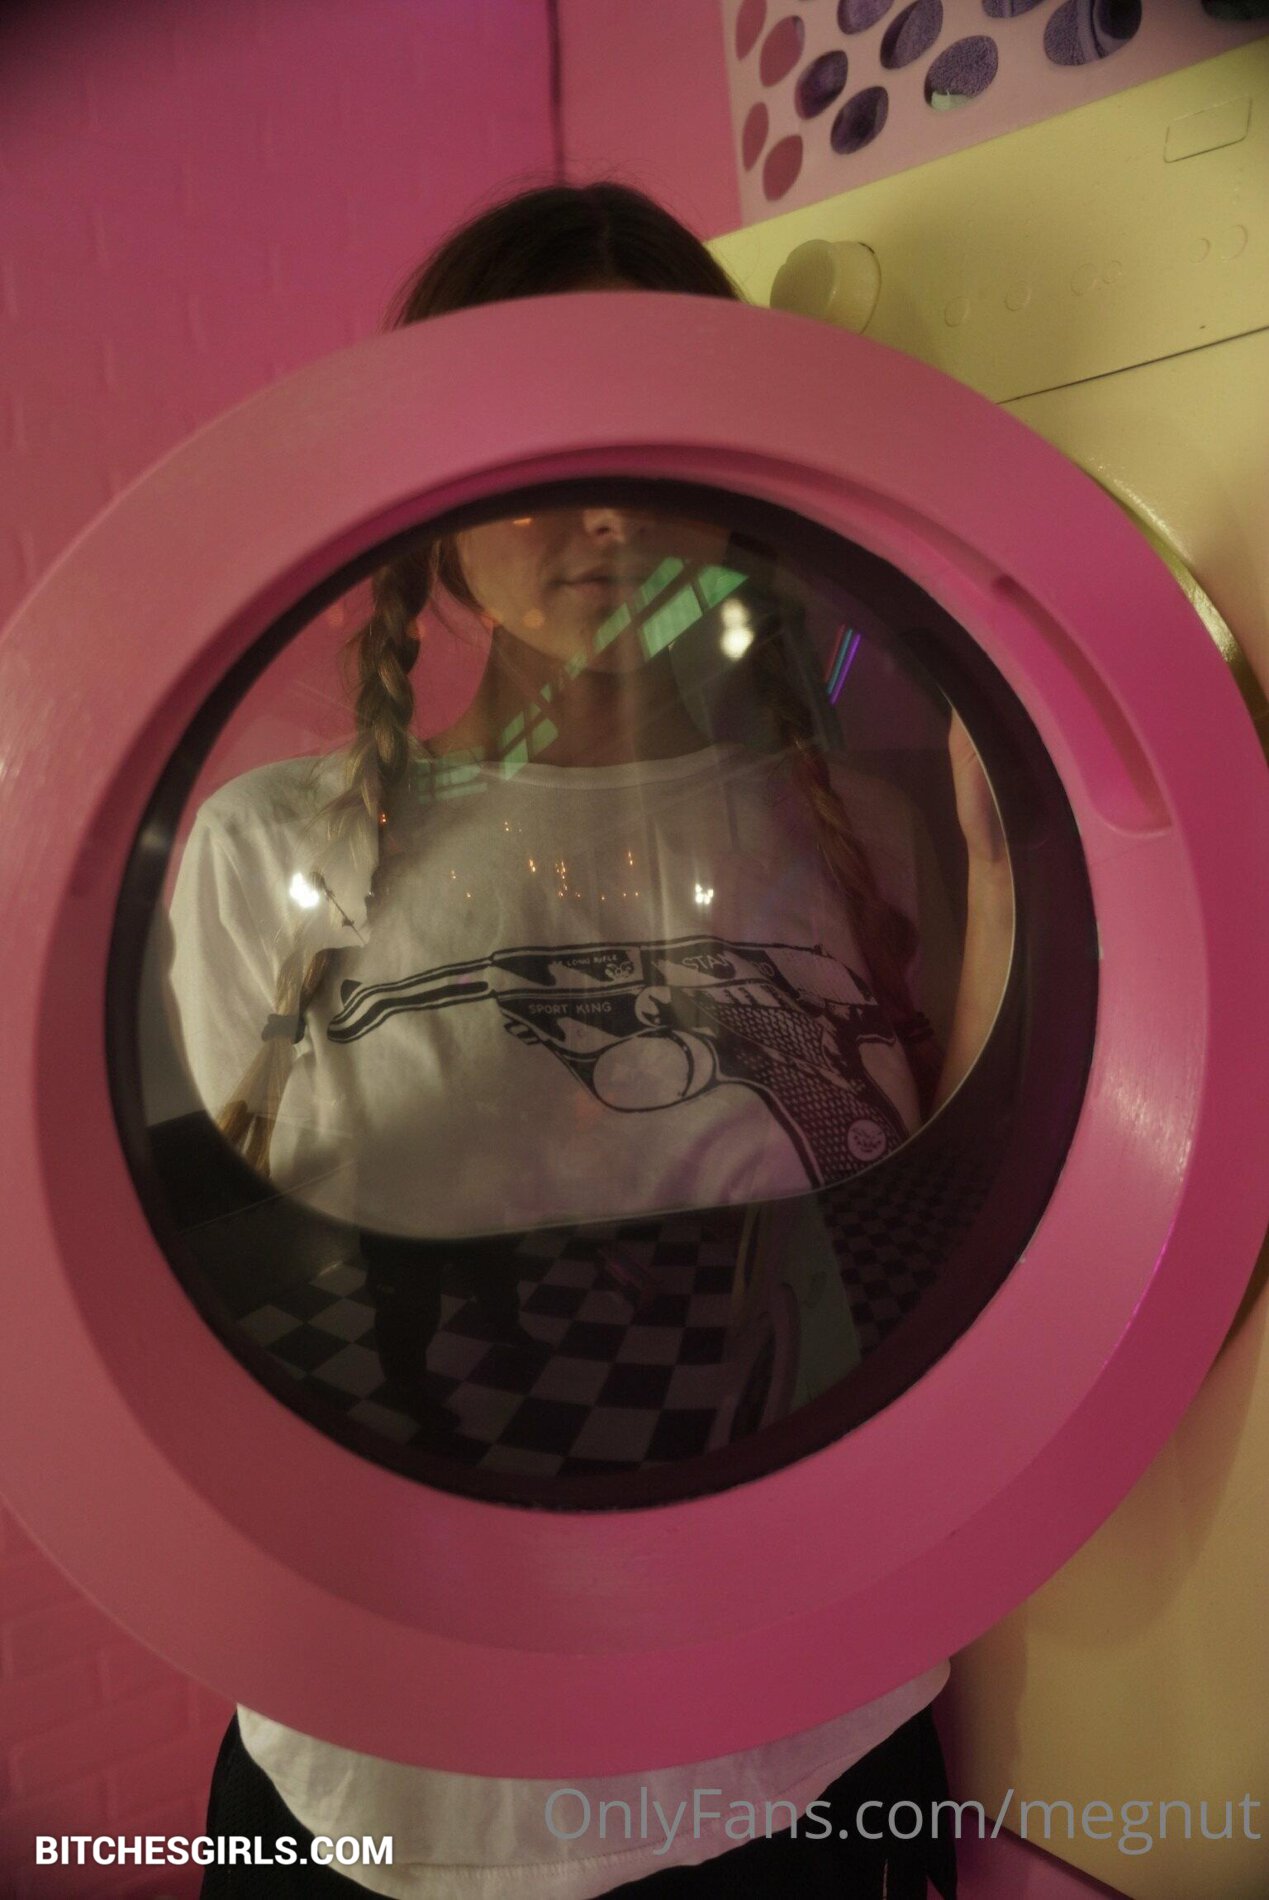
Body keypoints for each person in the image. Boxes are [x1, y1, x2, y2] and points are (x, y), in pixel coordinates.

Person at [168, 179, 1014, 1899]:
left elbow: (968, 1256)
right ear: (431, 495)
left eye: (650, 425)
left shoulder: (885, 831)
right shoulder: (269, 850)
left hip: (804, 1746)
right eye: (536, 427)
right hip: (393, 1784)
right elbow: (199, 1334)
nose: (602, 503)